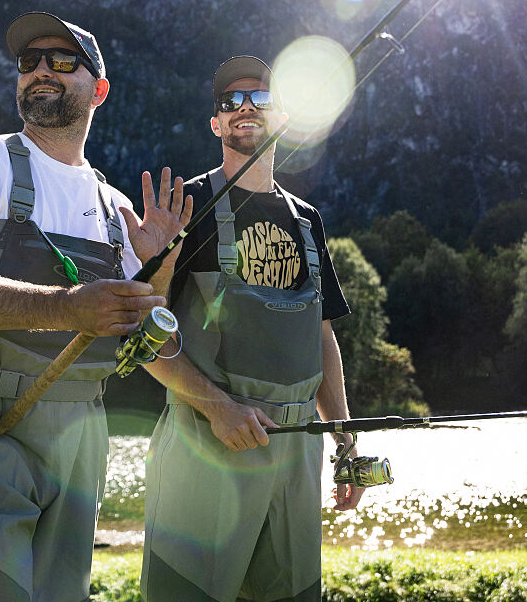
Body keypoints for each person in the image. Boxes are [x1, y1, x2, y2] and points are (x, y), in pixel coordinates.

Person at [0, 11, 190, 602]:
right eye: (28, 62)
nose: (40, 72)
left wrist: (157, 266)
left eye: (62, 62)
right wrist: (67, 306)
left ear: (98, 90)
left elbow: (141, 340)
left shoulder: (115, 208)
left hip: (81, 438)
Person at [140, 55, 363, 602]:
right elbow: (142, 335)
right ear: (215, 123)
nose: (245, 109)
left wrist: (345, 440)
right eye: (230, 102)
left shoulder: (306, 218)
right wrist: (218, 406)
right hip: (207, 445)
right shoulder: (185, 208)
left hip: (296, 454)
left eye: (260, 99)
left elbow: (322, 335)